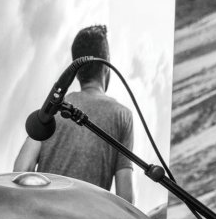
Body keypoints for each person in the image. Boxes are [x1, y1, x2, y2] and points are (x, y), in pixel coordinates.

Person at [13, 24, 134, 203]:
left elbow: (21, 170)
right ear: (106, 65)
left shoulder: (52, 109)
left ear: (76, 72)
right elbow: (126, 200)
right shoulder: (122, 116)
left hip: (43, 215)